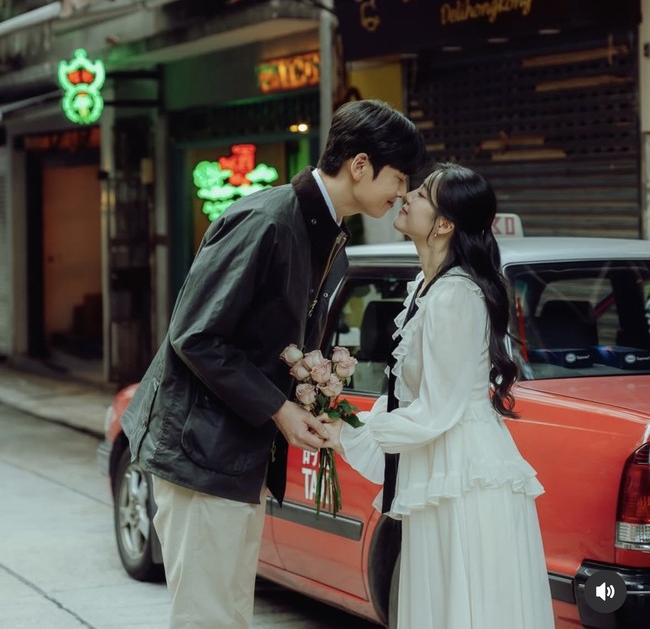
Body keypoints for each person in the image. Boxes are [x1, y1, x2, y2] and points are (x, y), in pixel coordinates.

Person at [120, 99, 426, 629]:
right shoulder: (265, 220)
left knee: (229, 612)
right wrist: (280, 409)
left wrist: (309, 398)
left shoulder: (325, 232)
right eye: (398, 177)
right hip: (200, 451)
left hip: (235, 452)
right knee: (207, 616)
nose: (401, 192)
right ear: (359, 165)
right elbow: (195, 335)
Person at [323, 162, 555, 629]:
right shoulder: (426, 289)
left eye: (422, 193)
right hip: (438, 465)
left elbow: (436, 411)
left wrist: (352, 433)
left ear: (445, 223)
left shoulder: (454, 296)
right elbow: (408, 394)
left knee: (460, 603)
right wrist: (348, 426)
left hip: (460, 473)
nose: (406, 195)